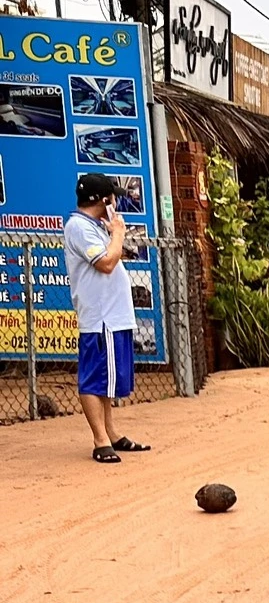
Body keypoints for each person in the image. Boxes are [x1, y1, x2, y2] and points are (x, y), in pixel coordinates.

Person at [65, 172, 146, 464]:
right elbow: (107, 263)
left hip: (114, 317)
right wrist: (119, 233)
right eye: (112, 197)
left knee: (107, 381)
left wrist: (114, 235)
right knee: (94, 380)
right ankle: (100, 441)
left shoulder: (95, 226)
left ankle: (111, 434)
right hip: (101, 318)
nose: (115, 201)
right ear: (103, 201)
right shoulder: (79, 227)